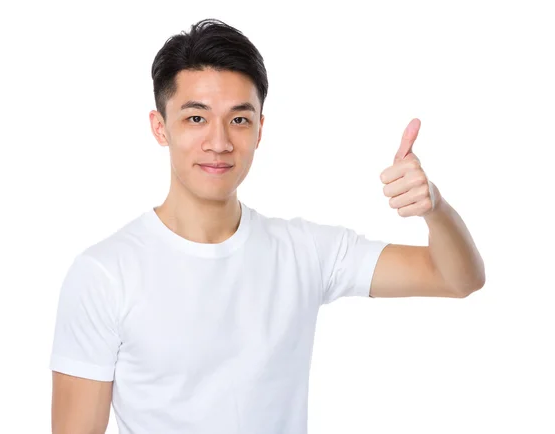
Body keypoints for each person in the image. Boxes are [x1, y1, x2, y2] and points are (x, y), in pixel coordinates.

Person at [49, 18, 485, 434]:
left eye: (239, 119)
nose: (218, 142)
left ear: (259, 130)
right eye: (195, 117)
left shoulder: (305, 251)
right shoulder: (104, 274)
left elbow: (457, 278)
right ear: (160, 127)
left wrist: (435, 208)